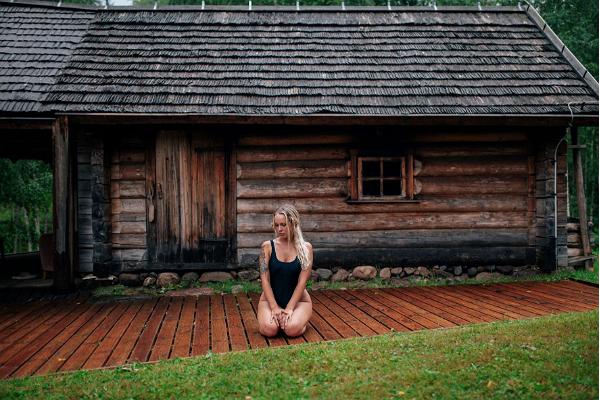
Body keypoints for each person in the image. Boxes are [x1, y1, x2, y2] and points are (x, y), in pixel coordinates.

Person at [257, 204, 313, 338]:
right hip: (269, 300)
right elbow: (264, 280)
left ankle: (298, 321)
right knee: (270, 330)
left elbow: (302, 282)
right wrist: (275, 308)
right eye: (276, 225)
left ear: (294, 224)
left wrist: (289, 309)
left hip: (300, 301)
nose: (279, 229)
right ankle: (277, 319)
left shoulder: (306, 248)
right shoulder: (267, 247)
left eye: (283, 224)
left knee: (291, 330)